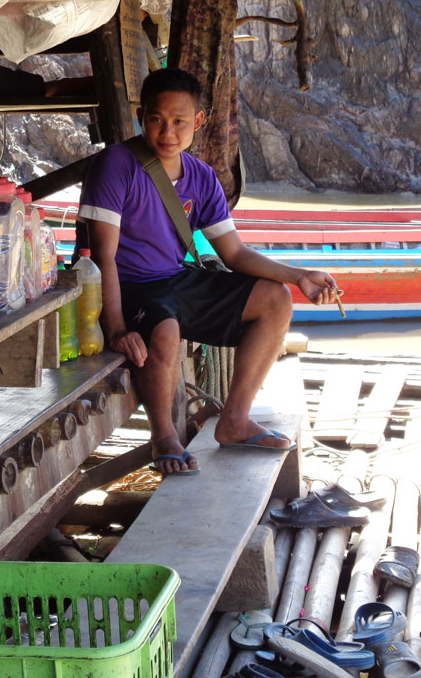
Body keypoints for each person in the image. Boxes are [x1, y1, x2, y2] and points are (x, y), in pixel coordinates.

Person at [78, 68, 341, 476]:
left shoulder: (201, 177)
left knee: (275, 299)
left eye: (179, 121)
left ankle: (235, 419)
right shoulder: (116, 165)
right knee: (164, 331)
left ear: (198, 121)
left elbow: (234, 253)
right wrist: (116, 329)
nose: (167, 131)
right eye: (156, 119)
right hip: (128, 287)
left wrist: (297, 275)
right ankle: (164, 436)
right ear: (141, 117)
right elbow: (103, 257)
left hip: (174, 280)